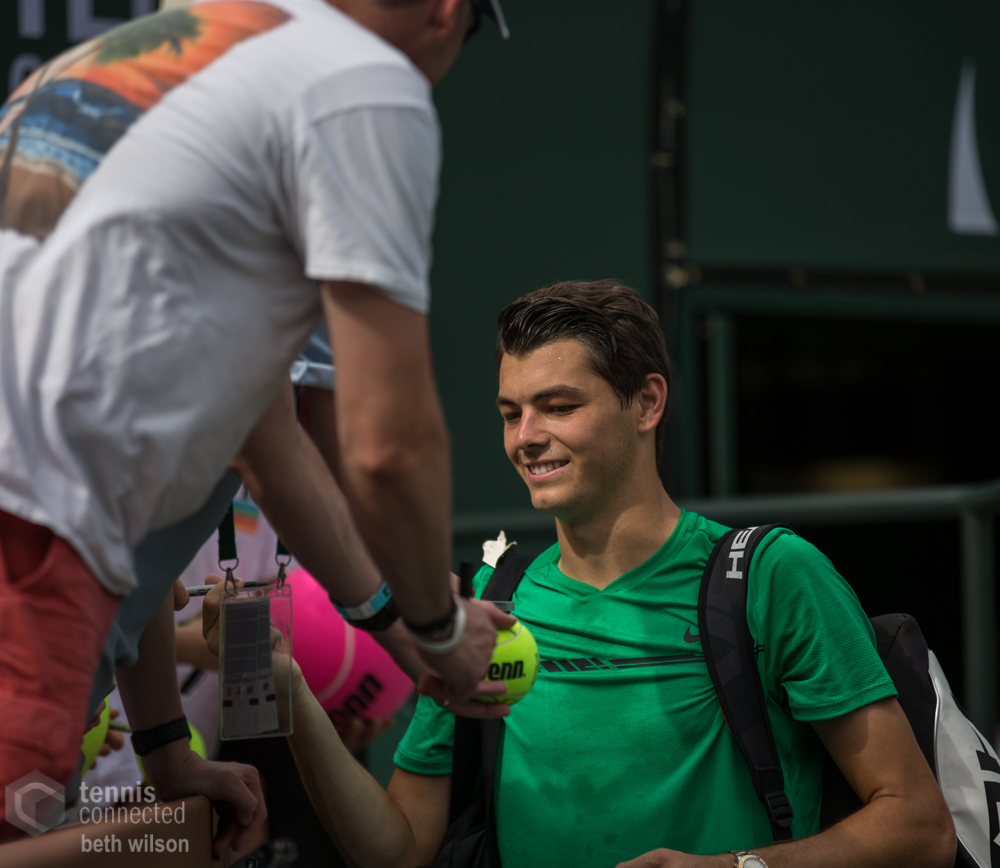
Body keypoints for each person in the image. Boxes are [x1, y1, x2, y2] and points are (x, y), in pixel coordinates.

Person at [204, 280, 957, 868]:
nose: (526, 438)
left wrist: (736, 866)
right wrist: (287, 688)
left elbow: (919, 828)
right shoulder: (489, 602)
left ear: (647, 402)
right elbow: (399, 850)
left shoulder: (772, 575)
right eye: (511, 413)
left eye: (558, 406)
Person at [0, 0, 510, 842]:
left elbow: (241, 450)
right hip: (32, 559)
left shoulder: (113, 64)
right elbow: (382, 449)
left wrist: (166, 748)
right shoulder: (364, 87)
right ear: (447, 13)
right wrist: (437, 627)